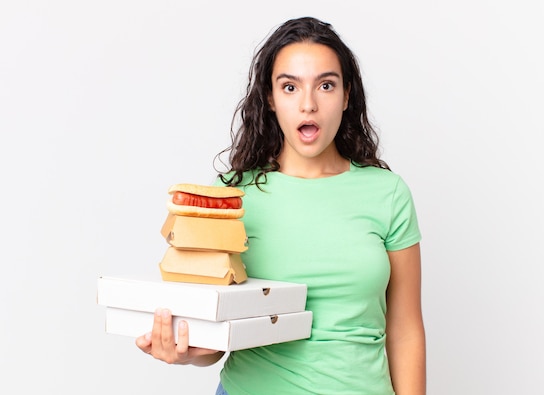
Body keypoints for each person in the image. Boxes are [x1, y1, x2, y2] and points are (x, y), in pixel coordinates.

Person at [136, 16, 426, 395]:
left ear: (347, 94)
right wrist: (187, 351)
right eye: (290, 87)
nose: (308, 104)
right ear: (270, 99)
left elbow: (405, 330)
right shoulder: (229, 197)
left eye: (325, 85)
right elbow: (216, 330)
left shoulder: (388, 194)